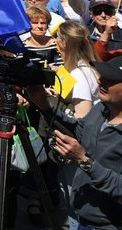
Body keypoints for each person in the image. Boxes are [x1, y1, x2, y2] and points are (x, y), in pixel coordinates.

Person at [52, 55, 122, 230]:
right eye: (101, 75)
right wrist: (44, 104)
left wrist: (85, 161)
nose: (100, 80)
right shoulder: (101, 109)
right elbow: (78, 131)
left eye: (110, 80)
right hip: (79, 215)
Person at [56, 21, 101, 119]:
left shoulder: (79, 74)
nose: (56, 40)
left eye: (58, 36)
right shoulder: (92, 65)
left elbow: (82, 116)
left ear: (64, 42)